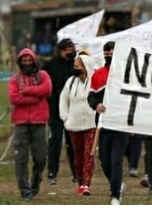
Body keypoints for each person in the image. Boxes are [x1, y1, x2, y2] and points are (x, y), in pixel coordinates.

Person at [88, 41, 129, 205]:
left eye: (112, 51)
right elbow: (91, 97)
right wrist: (96, 105)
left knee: (116, 161)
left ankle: (115, 195)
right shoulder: (97, 75)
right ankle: (118, 185)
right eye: (107, 51)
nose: (109, 54)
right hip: (103, 126)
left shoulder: (126, 74)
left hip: (120, 125)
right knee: (105, 162)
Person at [9, 48, 52, 202]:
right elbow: (14, 98)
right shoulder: (14, 79)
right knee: (21, 159)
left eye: (29, 60)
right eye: (24, 61)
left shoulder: (43, 76)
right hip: (20, 123)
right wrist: (35, 98)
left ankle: (35, 182)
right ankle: (25, 191)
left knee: (40, 158)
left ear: (34, 61)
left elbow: (47, 89)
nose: (27, 63)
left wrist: (27, 91)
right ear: (20, 62)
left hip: (39, 122)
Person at [58, 53, 97, 196]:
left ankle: (87, 184)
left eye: (77, 66)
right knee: (78, 157)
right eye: (74, 66)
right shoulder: (70, 82)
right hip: (74, 126)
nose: (74, 69)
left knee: (89, 155)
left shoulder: (94, 82)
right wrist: (66, 119)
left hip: (92, 125)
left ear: (85, 68)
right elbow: (63, 100)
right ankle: (80, 183)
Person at [41, 38, 77, 186]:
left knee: (73, 144)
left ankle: (76, 173)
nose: (72, 52)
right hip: (55, 112)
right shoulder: (49, 66)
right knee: (54, 143)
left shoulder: (75, 65)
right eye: (70, 50)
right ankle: (52, 173)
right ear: (62, 51)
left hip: (72, 112)